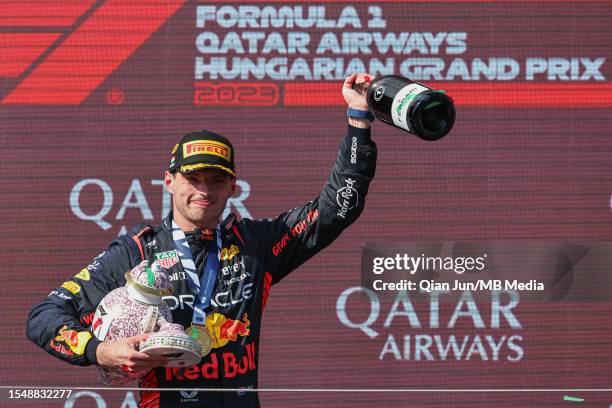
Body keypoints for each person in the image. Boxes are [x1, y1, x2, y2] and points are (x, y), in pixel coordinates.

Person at [26, 73, 377, 408]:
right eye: (193, 178)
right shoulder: (137, 251)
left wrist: (359, 118)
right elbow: (44, 316)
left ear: (232, 187)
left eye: (216, 180)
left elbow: (336, 210)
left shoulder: (257, 245)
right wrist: (100, 351)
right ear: (169, 181)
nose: (204, 190)